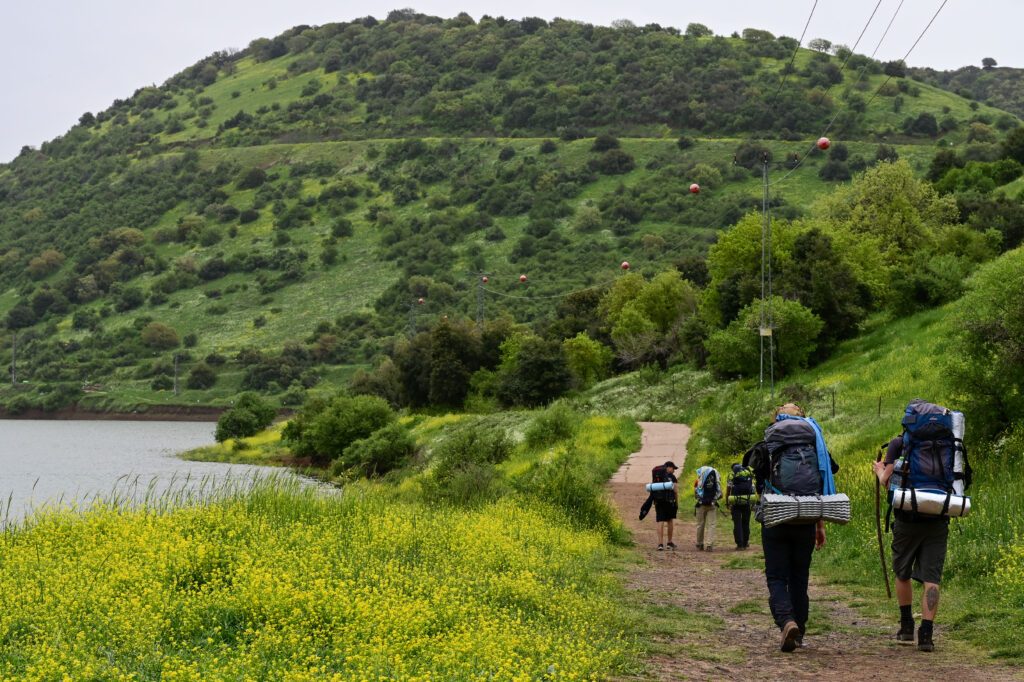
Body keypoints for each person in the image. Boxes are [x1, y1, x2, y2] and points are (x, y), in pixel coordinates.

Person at [746, 402, 837, 652]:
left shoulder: (769, 442)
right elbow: (827, 473)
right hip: (806, 519)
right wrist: (820, 525)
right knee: (800, 577)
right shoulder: (814, 442)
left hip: (776, 517)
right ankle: (799, 632)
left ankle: (787, 621)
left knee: (777, 576)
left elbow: (755, 472)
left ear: (777, 419)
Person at [873, 413, 951, 653]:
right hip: (938, 517)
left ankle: (906, 627)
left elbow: (888, 482)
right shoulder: (948, 444)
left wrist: (878, 470)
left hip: (907, 519)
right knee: (932, 579)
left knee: (902, 572)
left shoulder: (899, 443)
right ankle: (926, 635)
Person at [725, 462, 755, 550]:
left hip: (735, 502)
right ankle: (745, 542)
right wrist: (752, 502)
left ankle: (740, 545)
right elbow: (752, 488)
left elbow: (728, 491)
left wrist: (727, 503)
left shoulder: (732, 475)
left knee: (737, 523)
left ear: (733, 469)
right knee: (746, 523)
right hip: (747, 501)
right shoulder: (748, 473)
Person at [693, 465, 720, 551]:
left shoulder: (698, 480)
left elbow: (696, 494)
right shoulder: (715, 479)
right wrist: (713, 500)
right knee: (711, 525)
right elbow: (719, 493)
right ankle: (709, 545)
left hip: (701, 505)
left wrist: (701, 500)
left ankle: (700, 543)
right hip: (712, 505)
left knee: (700, 524)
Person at [654, 461, 679, 551]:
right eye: (673, 468)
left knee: (660, 521)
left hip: (659, 501)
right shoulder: (672, 477)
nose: (674, 471)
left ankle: (660, 544)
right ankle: (669, 542)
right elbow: (675, 491)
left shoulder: (657, 475)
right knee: (669, 520)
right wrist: (676, 503)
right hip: (669, 501)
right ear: (668, 467)